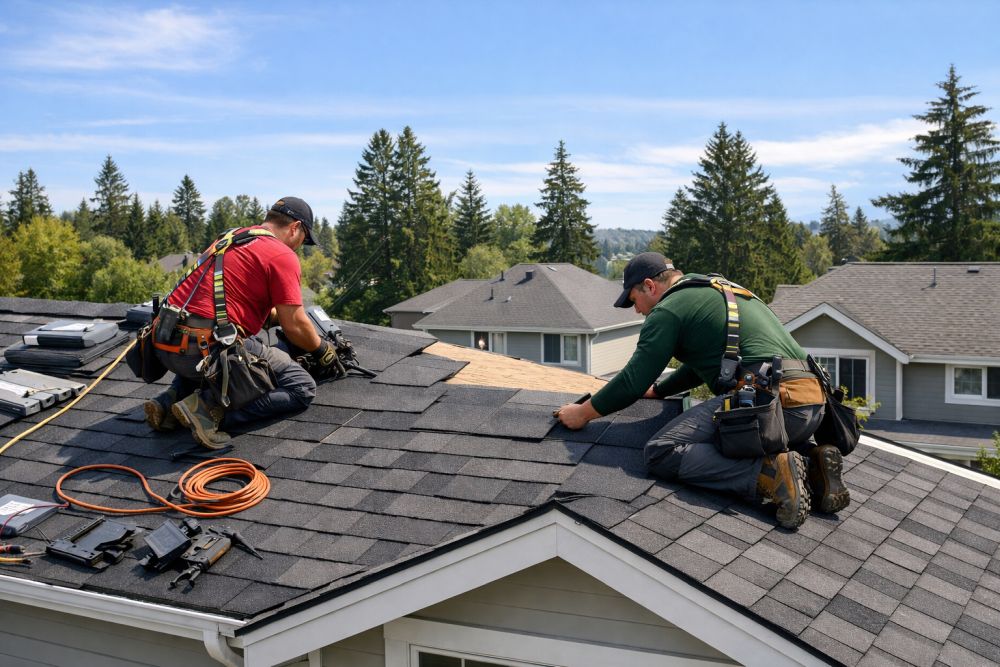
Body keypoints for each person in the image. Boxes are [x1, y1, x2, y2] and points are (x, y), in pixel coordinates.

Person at [556, 252, 849, 529]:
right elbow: (705, 364)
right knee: (734, 428)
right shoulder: (715, 288)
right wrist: (661, 390)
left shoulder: (668, 309)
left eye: (634, 300)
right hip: (813, 407)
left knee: (661, 451)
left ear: (649, 286)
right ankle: (813, 464)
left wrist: (582, 413)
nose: (637, 310)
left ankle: (769, 473)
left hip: (772, 407)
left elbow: (633, 379)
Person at [144, 197, 339, 448]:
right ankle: (207, 411)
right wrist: (323, 350)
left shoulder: (230, 239)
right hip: (203, 349)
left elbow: (219, 298)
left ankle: (168, 402)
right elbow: (296, 326)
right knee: (300, 386)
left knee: (240, 346)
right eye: (304, 239)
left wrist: (267, 315)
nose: (300, 246)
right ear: (295, 227)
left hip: (165, 344)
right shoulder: (282, 254)